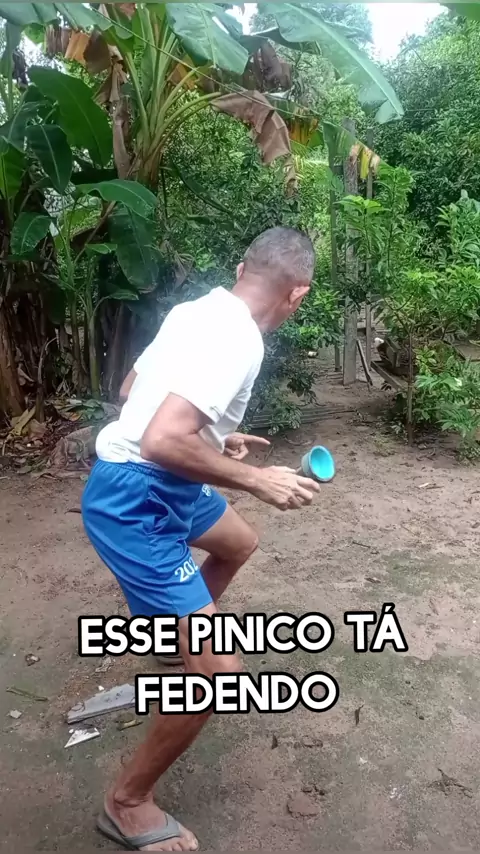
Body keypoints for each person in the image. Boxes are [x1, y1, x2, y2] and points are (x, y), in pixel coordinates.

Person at [81, 226, 320, 851]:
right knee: (218, 674)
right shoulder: (239, 339)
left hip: (167, 483)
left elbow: (132, 393)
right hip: (136, 499)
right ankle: (126, 802)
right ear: (298, 294)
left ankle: (172, 638)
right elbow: (161, 438)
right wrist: (257, 479)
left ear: (242, 268)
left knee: (238, 542)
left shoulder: (196, 311)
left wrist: (216, 437)